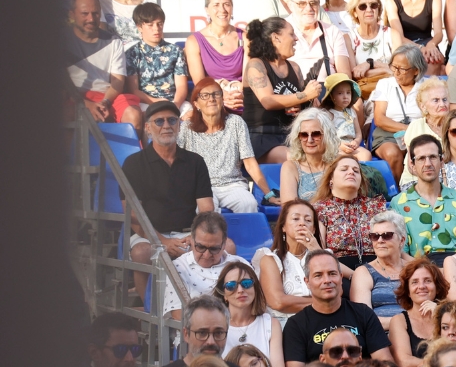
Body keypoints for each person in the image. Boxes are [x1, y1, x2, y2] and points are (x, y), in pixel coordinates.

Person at [121, 100, 216, 298]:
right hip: (149, 235)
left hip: (188, 234)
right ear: (147, 128)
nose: (166, 126)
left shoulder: (195, 161)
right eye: (159, 121)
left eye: (172, 120)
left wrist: (196, 237)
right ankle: (149, 312)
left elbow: (207, 209)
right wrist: (162, 241)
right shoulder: (134, 164)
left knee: (228, 246)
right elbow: (133, 214)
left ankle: (206, 303)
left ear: (179, 125)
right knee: (140, 253)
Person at [281, 251, 392, 367]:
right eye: (318, 275)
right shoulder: (296, 325)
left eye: (332, 273)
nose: (327, 280)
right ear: (307, 282)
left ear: (340, 277)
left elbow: (385, 363)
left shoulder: (364, 313)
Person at [180, 79, 273, 213]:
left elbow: (250, 163)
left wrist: (268, 194)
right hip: (201, 187)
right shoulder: (187, 128)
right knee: (205, 210)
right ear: (196, 104)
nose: (211, 99)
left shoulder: (236, 123)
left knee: (249, 204)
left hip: (233, 185)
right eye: (205, 96)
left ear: (222, 99)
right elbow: (177, 161)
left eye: (216, 94)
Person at [243, 17, 322, 163]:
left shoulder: (294, 67)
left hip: (291, 135)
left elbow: (300, 102)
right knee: (295, 158)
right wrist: (305, 95)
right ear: (276, 38)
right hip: (262, 137)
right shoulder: (256, 65)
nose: (296, 39)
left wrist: (309, 103)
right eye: (291, 34)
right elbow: (267, 101)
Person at [390, 135, 456, 264]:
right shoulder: (399, 203)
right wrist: (425, 270)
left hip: (455, 266)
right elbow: (401, 251)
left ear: (441, 161)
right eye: (421, 158)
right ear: (412, 165)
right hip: (415, 267)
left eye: (433, 157)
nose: (428, 164)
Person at [66, 0, 140, 125]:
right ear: (72, 14)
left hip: (107, 97)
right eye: (84, 14)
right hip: (73, 98)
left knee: (133, 115)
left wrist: (105, 102)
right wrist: (86, 105)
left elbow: (118, 81)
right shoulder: (61, 42)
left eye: (95, 13)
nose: (91, 19)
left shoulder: (114, 41)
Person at [312, 155, 388, 273]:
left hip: (377, 268)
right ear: (331, 179)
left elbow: (390, 244)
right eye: (344, 169)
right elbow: (320, 253)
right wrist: (355, 276)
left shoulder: (375, 206)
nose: (351, 172)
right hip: (339, 271)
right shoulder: (321, 208)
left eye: (356, 170)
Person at [390, 258, 451, 367]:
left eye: (428, 281)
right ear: (408, 292)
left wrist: (440, 315)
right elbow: (404, 362)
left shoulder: (449, 317)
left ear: (437, 288)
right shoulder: (399, 320)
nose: (421, 286)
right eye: (415, 282)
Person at [215, 262, 285, 367]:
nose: (240, 290)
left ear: (255, 288)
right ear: (224, 294)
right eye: (231, 285)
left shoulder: (270, 324)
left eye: (246, 283)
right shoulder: (215, 329)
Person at [184, 0, 248, 110]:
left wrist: (237, 95)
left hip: (241, 98)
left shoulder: (245, 37)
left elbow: (248, 81)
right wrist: (222, 96)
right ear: (207, 10)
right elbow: (200, 83)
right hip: (211, 99)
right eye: (216, 5)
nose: (222, 10)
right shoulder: (194, 41)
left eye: (226, 4)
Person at [255, 200, 321, 318]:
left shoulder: (323, 256)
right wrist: (322, 302)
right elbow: (278, 302)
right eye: (296, 219)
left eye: (308, 220)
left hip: (321, 320)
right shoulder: (270, 259)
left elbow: (337, 292)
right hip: (285, 324)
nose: (302, 223)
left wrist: (317, 252)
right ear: (283, 226)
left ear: (314, 229)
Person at [348, 211, 413, 330]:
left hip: (417, 335)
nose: (380, 240)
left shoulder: (414, 269)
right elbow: (364, 318)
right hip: (382, 337)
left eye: (387, 235)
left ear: (402, 240)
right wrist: (407, 323)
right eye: (375, 236)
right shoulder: (364, 272)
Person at [369, 45, 426, 177]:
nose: (396, 72)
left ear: (416, 70)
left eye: (402, 69)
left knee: (423, 154)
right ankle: (400, 195)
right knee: (392, 154)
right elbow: (380, 119)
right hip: (388, 134)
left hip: (421, 133)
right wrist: (409, 129)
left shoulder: (427, 86)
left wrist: (414, 133)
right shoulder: (384, 84)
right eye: (394, 67)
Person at [125, 2, 188, 107]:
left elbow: (181, 86)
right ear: (139, 27)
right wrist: (155, 102)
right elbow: (133, 90)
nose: (156, 29)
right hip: (145, 103)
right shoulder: (132, 54)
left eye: (160, 24)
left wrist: (175, 105)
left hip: (174, 101)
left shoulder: (176, 51)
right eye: (150, 25)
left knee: (191, 115)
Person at [286, 0, 351, 82]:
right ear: (291, 5)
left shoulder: (332, 32)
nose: (309, 8)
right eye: (302, 4)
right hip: (292, 94)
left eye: (313, 3)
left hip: (327, 93)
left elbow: (344, 74)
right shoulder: (279, 32)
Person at [278, 109, 338, 204]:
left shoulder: (339, 165)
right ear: (298, 138)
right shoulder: (291, 167)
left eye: (316, 134)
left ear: (327, 136)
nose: (310, 140)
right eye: (304, 135)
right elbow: (289, 208)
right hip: (305, 218)